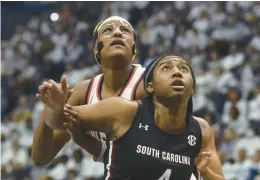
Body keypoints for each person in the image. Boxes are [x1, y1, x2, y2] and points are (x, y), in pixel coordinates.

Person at [58, 55, 224, 179]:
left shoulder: (200, 130)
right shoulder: (124, 110)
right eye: (166, 68)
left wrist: (207, 173)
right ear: (149, 86)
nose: (177, 73)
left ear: (192, 88)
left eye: (184, 69)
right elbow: (58, 119)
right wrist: (55, 107)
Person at [32, 16, 146, 165]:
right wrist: (50, 108)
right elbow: (41, 158)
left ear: (133, 49)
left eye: (125, 30)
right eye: (108, 30)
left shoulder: (150, 81)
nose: (117, 33)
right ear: (96, 50)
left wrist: (84, 140)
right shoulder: (83, 91)